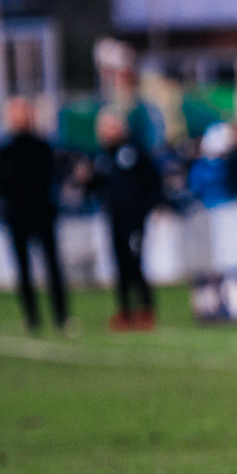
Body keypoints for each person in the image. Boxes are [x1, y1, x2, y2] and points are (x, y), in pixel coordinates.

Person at [0, 97, 69, 332]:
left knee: (52, 265)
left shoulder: (42, 147)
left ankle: (61, 316)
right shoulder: (4, 151)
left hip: (42, 213)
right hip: (17, 216)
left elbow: (52, 176)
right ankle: (32, 317)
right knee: (23, 269)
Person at [87, 108, 162, 331]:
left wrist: (150, 206)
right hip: (114, 217)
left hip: (134, 217)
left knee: (135, 263)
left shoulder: (134, 152)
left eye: (111, 126)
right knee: (119, 264)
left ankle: (146, 309)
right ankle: (125, 311)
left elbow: (152, 181)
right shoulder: (101, 157)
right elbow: (95, 186)